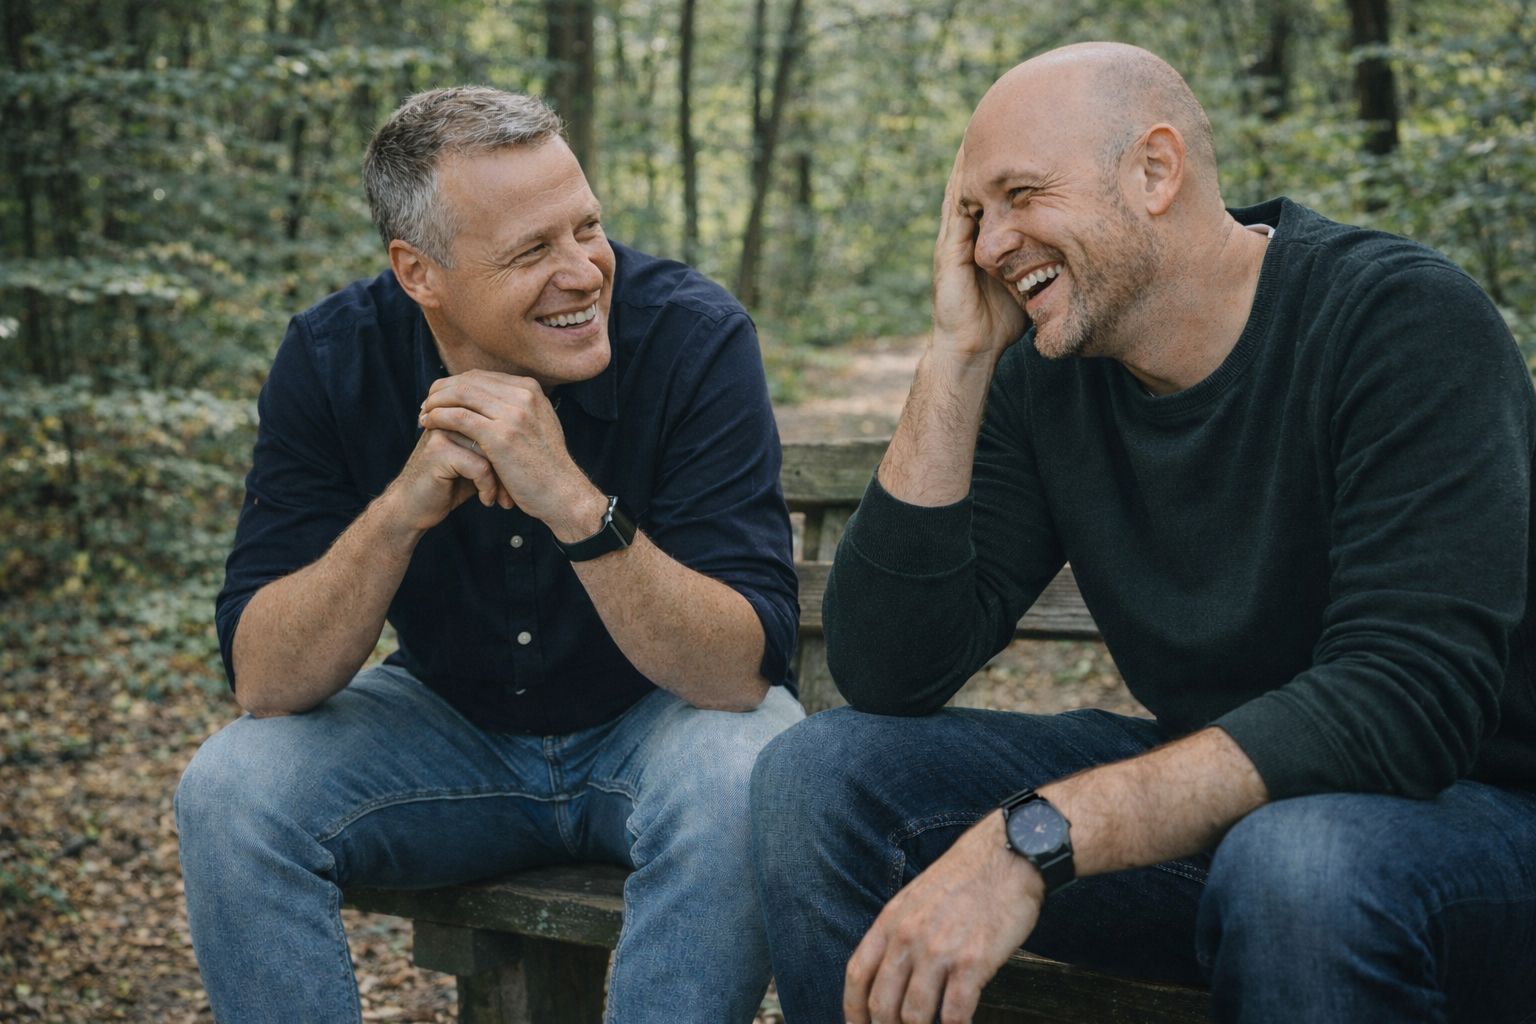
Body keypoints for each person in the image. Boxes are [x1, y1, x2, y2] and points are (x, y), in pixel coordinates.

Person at [750, 41, 1536, 1024]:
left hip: (1472, 833)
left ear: (1154, 171)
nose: (991, 244)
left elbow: (1407, 701)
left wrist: (1041, 833)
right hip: (1231, 832)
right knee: (816, 777)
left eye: (1021, 194)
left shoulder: (1398, 323)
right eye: (973, 216)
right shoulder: (1053, 369)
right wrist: (956, 356)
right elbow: (885, 669)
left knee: (1303, 862)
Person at [175, 86, 803, 1024]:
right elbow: (266, 678)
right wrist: (400, 511)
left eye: (586, 227)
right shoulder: (331, 357)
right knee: (230, 790)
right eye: (532, 251)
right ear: (419, 272)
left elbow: (738, 671)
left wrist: (575, 504)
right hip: (442, 737)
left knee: (756, 770)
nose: (585, 271)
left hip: (659, 728)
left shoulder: (693, 336)